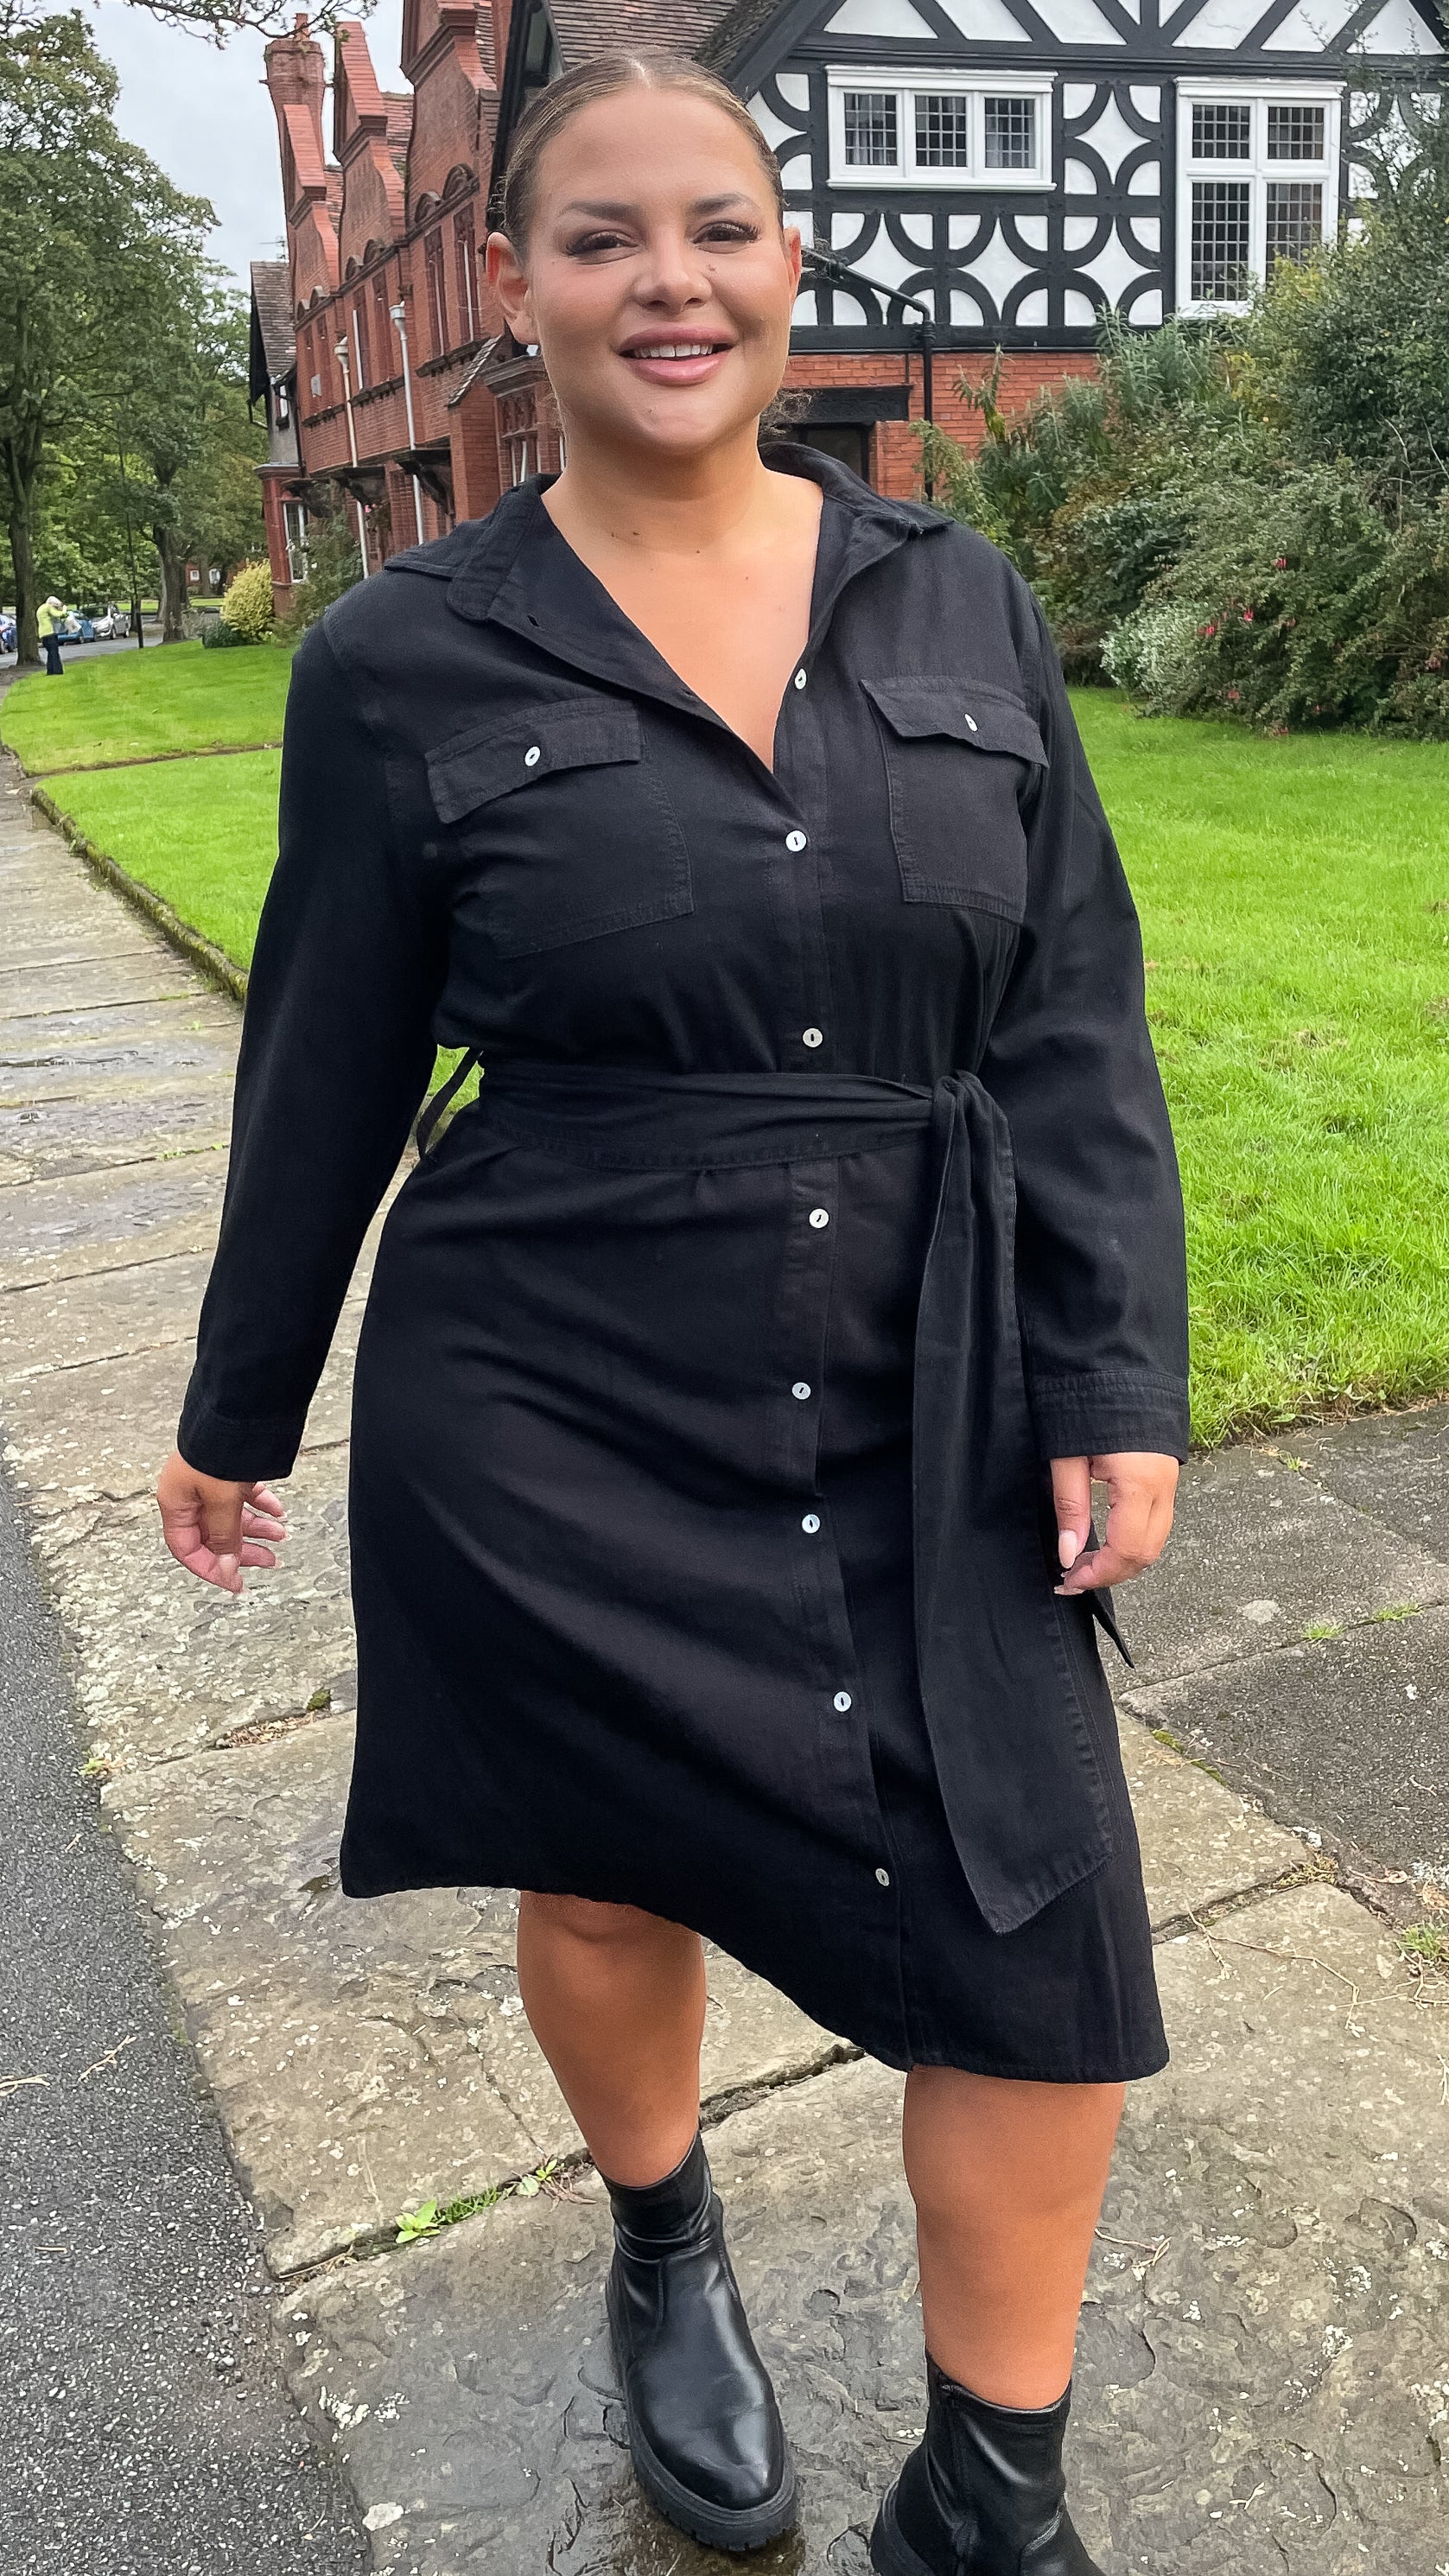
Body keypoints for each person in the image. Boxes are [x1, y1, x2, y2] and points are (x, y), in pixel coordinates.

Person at [154, 51, 1188, 2573]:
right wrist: (236, 1406)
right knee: (605, 1877)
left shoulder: (953, 596)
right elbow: (328, 1050)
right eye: (600, 237)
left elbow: (1069, 1009)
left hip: (936, 1369)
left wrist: (1109, 1370)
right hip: (557, 1385)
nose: (667, 280)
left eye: (713, 224)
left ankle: (989, 2497)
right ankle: (660, 2235)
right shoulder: (399, 655)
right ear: (514, 291)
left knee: (1037, 1931)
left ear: (784, 257)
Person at [37, 595, 66, 677]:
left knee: (50, 652)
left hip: (42, 633)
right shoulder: (48, 607)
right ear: (53, 603)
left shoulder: (41, 608)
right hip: (49, 632)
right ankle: (57, 671)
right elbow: (58, 614)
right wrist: (64, 609)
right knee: (54, 652)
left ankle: (50, 671)